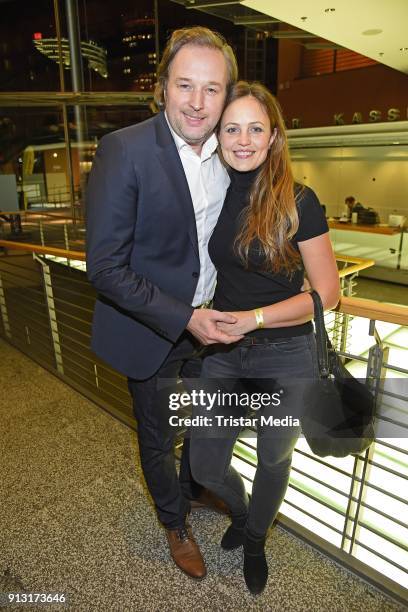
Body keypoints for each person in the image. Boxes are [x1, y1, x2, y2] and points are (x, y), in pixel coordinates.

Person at [85, 27, 240, 580]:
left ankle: (195, 488)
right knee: (156, 437)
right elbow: (105, 267)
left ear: (228, 94)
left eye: (213, 89)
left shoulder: (234, 153)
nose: (198, 103)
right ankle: (174, 521)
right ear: (162, 88)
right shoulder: (124, 150)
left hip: (215, 324)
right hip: (154, 331)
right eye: (185, 86)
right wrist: (185, 317)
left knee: (203, 422)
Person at [189, 81, 340, 594]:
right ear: (219, 135)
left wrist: (254, 318)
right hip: (225, 353)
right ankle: (242, 510)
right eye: (232, 128)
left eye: (256, 128)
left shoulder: (299, 200)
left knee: (275, 457)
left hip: (285, 352)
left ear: (274, 136)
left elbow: (327, 293)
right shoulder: (213, 192)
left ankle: (255, 537)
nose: (243, 139)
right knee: (206, 462)